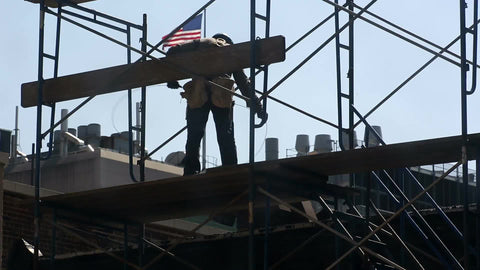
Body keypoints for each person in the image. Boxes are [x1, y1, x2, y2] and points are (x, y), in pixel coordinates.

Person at [167, 33, 268, 175]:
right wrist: (258, 108)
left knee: (194, 134)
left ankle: (191, 169)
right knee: (225, 135)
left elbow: (172, 51)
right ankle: (231, 169)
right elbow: (244, 85)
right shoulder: (231, 51)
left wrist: (171, 79)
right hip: (221, 93)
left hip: (198, 91)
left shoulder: (201, 43)